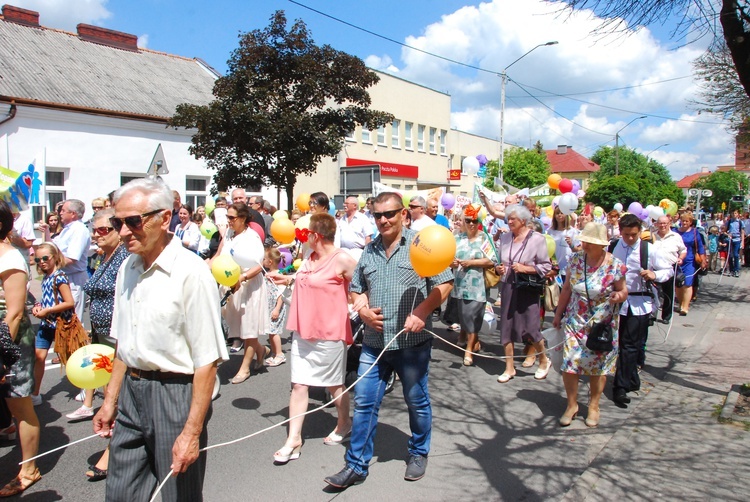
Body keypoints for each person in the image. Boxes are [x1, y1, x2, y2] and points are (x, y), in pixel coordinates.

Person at [92, 178, 228, 502]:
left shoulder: (192, 273)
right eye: (117, 222)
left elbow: (207, 362)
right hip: (132, 395)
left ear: (164, 218)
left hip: (176, 395)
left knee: (177, 495)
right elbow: (123, 343)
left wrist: (191, 433)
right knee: (121, 493)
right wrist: (110, 401)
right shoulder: (128, 266)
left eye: (133, 222)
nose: (123, 232)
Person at [324, 192, 453, 489]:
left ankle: (419, 452)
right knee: (366, 402)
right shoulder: (368, 251)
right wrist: (364, 310)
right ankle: (356, 465)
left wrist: (422, 311)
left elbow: (444, 283)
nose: (383, 220)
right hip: (373, 342)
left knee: (416, 401)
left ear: (403, 214)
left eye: (389, 214)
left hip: (412, 344)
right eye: (378, 215)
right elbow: (356, 289)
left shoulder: (421, 244)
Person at [267, 214, 357, 464]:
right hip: (303, 332)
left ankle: (344, 423)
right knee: (299, 384)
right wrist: (286, 279)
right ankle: (293, 439)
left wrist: (359, 301)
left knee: (334, 385)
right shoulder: (309, 257)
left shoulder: (342, 259)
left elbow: (361, 285)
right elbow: (305, 282)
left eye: (307, 234)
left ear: (316, 235)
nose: (304, 238)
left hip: (329, 333)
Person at [553, 223, 628, 428]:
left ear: (601, 245)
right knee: (570, 364)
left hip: (602, 323)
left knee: (598, 367)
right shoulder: (575, 260)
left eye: (589, 242)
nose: (584, 245)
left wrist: (617, 296)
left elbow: (623, 291)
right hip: (575, 320)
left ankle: (594, 406)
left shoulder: (615, 265)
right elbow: (567, 288)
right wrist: (558, 314)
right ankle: (571, 405)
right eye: (584, 240)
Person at [77, 208, 130, 480]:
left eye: (102, 230)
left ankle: (113, 453)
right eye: (93, 230)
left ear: (116, 232)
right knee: (111, 392)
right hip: (101, 334)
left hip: (117, 336)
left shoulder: (125, 258)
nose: (95, 235)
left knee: (117, 394)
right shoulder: (104, 258)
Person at [0, 200, 41, 497]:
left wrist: (1, 356)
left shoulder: (11, 259)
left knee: (19, 405)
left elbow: (13, 314)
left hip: (9, 341)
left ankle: (29, 468)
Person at [610, 214, 672, 406]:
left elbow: (667, 270)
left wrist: (654, 274)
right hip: (615, 301)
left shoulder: (648, 249)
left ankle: (620, 386)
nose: (630, 238)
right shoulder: (612, 248)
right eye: (626, 234)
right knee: (616, 343)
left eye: (634, 235)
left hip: (639, 302)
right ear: (620, 231)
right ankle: (631, 379)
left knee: (630, 345)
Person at [493, 204, 553, 383]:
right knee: (506, 326)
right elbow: (497, 262)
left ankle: (543, 360)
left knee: (531, 327)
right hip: (507, 286)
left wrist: (525, 268)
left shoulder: (537, 239)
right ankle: (509, 367)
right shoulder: (504, 238)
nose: (509, 221)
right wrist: (498, 268)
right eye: (508, 218)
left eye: (513, 219)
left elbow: (545, 267)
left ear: (524, 221)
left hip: (527, 288)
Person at [217, 202, 269, 381]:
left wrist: (243, 277)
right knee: (239, 326)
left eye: (232, 218)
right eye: (227, 217)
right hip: (233, 285)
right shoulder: (230, 234)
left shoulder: (252, 238)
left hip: (249, 286)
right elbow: (220, 256)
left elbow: (258, 265)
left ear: (243, 218)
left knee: (249, 328)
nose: (229, 221)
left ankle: (245, 368)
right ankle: (261, 351)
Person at [29, 242, 75, 407]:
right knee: (39, 357)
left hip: (61, 325)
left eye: (45, 258)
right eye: (38, 259)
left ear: (55, 257)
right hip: (46, 324)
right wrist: (39, 307)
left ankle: (86, 387)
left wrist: (48, 310)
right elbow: (48, 298)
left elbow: (69, 302)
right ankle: (35, 393)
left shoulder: (59, 277)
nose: (41, 262)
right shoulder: (46, 277)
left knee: (72, 359)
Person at [450, 206, 496, 366]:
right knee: (463, 315)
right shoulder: (458, 238)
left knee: (472, 317)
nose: (471, 224)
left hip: (478, 287)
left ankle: (469, 350)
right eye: (467, 220)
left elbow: (491, 260)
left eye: (474, 221)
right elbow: (449, 259)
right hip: (461, 284)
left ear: (479, 222)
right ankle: (471, 341)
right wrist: (453, 263)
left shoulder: (484, 238)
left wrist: (471, 263)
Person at [53, 199, 91, 321]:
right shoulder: (67, 229)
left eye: (63, 211)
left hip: (74, 279)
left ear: (73, 214)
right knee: (62, 318)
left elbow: (72, 258)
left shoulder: (79, 230)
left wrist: (52, 266)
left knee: (73, 319)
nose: (60, 213)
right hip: (63, 277)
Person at [652, 216, 686, 324]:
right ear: (657, 224)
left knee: (668, 293)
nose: (663, 225)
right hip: (654, 268)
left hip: (669, 267)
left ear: (669, 224)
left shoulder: (676, 237)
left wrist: (680, 258)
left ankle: (666, 316)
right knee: (653, 293)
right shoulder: (652, 235)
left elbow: (683, 250)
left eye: (665, 223)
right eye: (660, 223)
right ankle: (652, 316)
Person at [675, 213, 706, 316]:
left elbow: (700, 247)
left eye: (686, 221)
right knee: (678, 284)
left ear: (690, 222)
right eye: (683, 221)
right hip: (677, 260)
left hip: (690, 261)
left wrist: (703, 260)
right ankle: (681, 303)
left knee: (688, 283)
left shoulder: (694, 233)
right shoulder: (675, 232)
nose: (684, 223)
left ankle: (685, 306)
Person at [262, 247, 288, 367]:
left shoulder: (278, 275)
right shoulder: (268, 274)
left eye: (264, 259)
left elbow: (281, 295)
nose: (263, 261)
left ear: (270, 262)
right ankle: (274, 353)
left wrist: (277, 309)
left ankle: (279, 354)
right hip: (269, 307)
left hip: (276, 307)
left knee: (274, 331)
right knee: (270, 331)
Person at [337, 195, 373, 261]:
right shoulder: (342, 219)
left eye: (346, 203)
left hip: (358, 253)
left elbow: (368, 237)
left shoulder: (363, 218)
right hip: (343, 252)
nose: (344, 205)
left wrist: (367, 254)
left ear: (354, 206)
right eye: (344, 203)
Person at [726, 209, 744, 277]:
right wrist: (728, 234)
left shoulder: (740, 222)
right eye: (733, 213)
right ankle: (731, 270)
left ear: (738, 214)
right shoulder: (729, 222)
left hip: (737, 240)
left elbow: (742, 232)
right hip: (730, 240)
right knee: (730, 255)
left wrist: (742, 242)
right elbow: (725, 231)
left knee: (736, 255)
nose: (734, 215)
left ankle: (736, 270)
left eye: (735, 213)